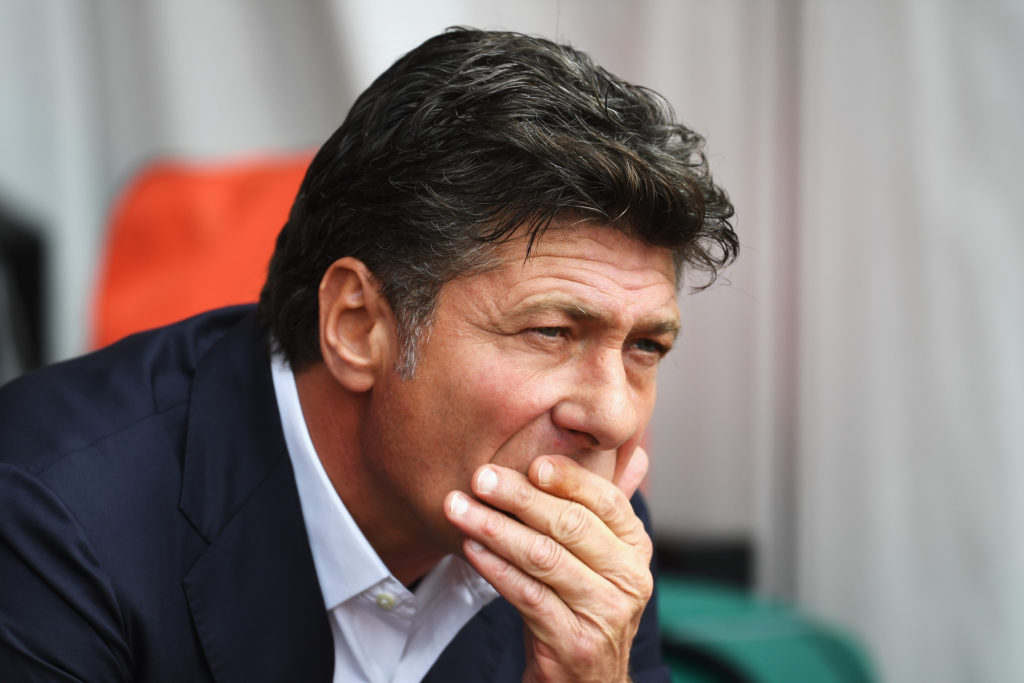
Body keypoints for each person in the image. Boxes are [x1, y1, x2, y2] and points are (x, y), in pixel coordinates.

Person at [0, 27, 736, 683]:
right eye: (551, 331)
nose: (609, 415)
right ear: (357, 326)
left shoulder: (587, 526)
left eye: (645, 346)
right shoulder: (49, 516)